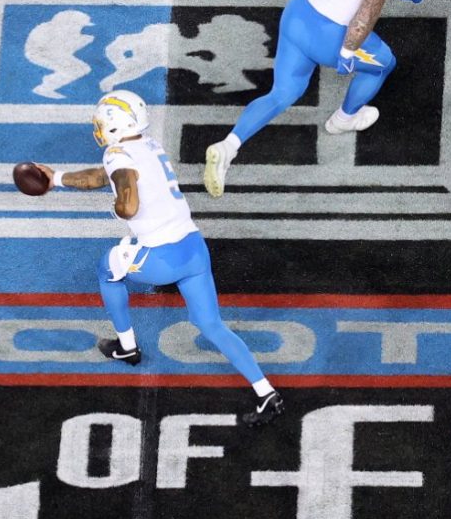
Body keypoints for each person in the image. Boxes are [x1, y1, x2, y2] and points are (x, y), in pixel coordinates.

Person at [47, 91, 283, 427]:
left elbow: (126, 200)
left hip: (160, 257)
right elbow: (102, 176)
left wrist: (120, 208)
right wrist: (56, 179)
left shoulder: (117, 153)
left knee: (107, 270)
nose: (99, 128)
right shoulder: (149, 144)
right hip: (193, 247)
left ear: (115, 126)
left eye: (103, 122)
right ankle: (266, 392)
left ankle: (127, 347)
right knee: (211, 325)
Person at [204, 0, 423, 196]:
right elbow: (371, 0)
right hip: (329, 34)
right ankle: (344, 119)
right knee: (383, 64)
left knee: (283, 92)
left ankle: (229, 146)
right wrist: (348, 48)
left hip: (298, 13)